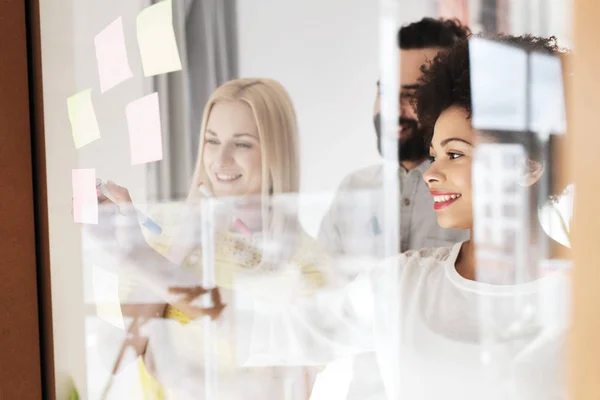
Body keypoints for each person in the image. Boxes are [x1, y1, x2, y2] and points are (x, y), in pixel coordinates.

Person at [279, 34, 569, 399]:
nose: (431, 173)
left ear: (527, 168)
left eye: (455, 154)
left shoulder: (583, 293)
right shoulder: (401, 283)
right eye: (434, 155)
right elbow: (289, 336)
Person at [92, 78, 330, 399]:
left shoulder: (304, 263)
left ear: (277, 151)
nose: (221, 160)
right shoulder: (165, 236)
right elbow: (125, 353)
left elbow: (274, 383)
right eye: (212, 141)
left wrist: (145, 258)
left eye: (242, 144)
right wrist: (180, 244)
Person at [318, 18, 471, 258]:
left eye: (412, 96)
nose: (393, 111)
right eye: (386, 93)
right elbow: (324, 284)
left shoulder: (470, 194)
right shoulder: (355, 189)